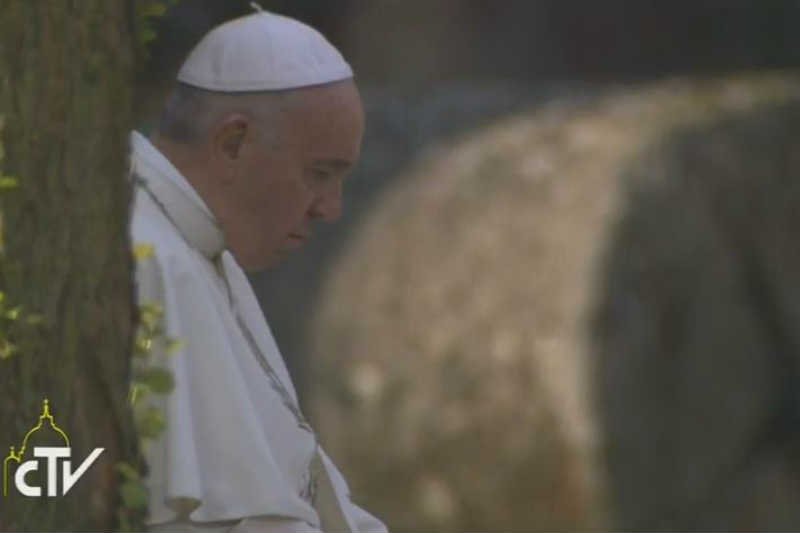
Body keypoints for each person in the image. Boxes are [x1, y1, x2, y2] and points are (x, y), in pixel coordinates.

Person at [129, 8, 385, 533]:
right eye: (319, 174)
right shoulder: (149, 258)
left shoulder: (203, 246)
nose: (330, 208)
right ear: (232, 143)